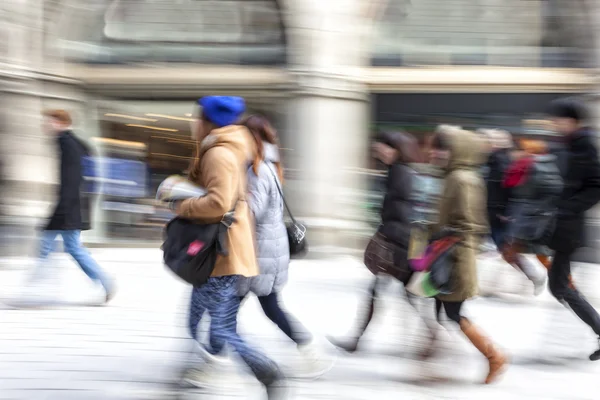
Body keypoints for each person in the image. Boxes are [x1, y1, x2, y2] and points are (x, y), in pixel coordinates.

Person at [176, 96, 286, 398]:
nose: (192, 123)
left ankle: (266, 370)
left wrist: (180, 203)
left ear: (207, 121)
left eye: (195, 117)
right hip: (219, 250)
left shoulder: (219, 153)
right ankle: (192, 372)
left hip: (220, 252)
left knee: (220, 326)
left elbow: (218, 203)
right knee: (196, 319)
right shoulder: (225, 149)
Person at [237, 114, 333, 378]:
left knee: (226, 310)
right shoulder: (271, 164)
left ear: (251, 139)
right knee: (269, 306)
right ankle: (309, 349)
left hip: (258, 251)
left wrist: (229, 202)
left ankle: (212, 361)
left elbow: (251, 211)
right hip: (269, 248)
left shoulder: (256, 170)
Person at [328, 131, 439, 357]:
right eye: (378, 149)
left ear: (396, 149)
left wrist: (384, 235)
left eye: (383, 148)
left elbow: (400, 213)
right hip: (408, 240)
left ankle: (431, 337)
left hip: (401, 242)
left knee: (404, 292)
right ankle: (359, 339)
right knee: (389, 291)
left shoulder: (399, 173)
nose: (380, 152)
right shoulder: (406, 171)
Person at [430, 127, 507, 384]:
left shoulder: (461, 179)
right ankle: (435, 352)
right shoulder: (455, 176)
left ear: (457, 150)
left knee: (452, 312)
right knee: (440, 308)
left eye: (443, 148)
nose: (436, 153)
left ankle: (494, 356)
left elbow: (471, 224)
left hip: (455, 257)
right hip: (448, 253)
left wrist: (443, 234)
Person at [29, 110, 114, 303]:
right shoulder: (73, 142)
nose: (45, 125)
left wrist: (63, 207)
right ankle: (105, 281)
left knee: (47, 246)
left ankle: (37, 292)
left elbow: (72, 179)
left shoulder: (67, 144)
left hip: (68, 206)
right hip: (73, 205)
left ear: (59, 122)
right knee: (72, 247)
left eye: (48, 121)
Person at [547, 98, 600, 361]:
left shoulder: (584, 147)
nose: (555, 123)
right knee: (559, 286)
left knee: (560, 286)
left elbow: (595, 187)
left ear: (573, 121)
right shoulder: (566, 145)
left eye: (560, 119)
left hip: (570, 228)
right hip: (561, 226)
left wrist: (567, 208)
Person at [500, 139, 562, 295]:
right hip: (540, 217)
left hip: (527, 219)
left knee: (511, 251)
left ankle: (559, 282)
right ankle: (562, 282)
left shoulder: (529, 166)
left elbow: (521, 192)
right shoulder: (549, 165)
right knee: (538, 254)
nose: (516, 153)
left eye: (521, 150)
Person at [482, 129, 514, 252]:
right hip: (494, 211)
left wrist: (502, 212)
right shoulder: (496, 160)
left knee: (503, 248)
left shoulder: (499, 162)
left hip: (496, 212)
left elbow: (505, 188)